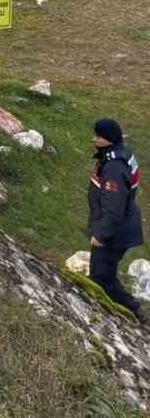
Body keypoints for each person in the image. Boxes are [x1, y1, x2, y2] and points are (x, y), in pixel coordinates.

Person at [88, 117, 144, 321]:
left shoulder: (114, 166)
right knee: (102, 274)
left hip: (115, 231)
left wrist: (101, 234)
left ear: (108, 139)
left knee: (101, 276)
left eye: (98, 136)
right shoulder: (118, 155)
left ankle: (133, 312)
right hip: (119, 226)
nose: (93, 139)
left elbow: (114, 206)